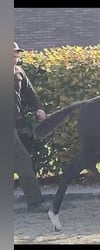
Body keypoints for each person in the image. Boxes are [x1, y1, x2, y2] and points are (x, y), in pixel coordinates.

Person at [14, 41, 49, 212]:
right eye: (11, 53)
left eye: (16, 53)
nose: (15, 56)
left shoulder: (19, 72)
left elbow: (30, 93)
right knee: (23, 162)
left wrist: (39, 108)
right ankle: (35, 204)